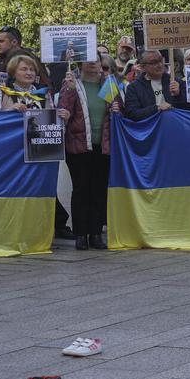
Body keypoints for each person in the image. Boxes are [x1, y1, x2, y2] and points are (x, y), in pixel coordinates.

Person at [56, 57, 118, 250]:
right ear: (80, 64)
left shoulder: (108, 84)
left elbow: (118, 110)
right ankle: (81, 234)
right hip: (79, 146)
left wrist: (118, 108)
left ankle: (96, 233)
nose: (93, 63)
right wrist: (69, 91)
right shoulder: (72, 84)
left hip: (103, 146)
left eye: (96, 60)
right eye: (88, 60)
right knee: (81, 189)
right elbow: (63, 110)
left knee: (99, 190)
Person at [123, 50, 182, 120]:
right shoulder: (133, 88)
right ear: (142, 67)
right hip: (150, 129)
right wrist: (157, 108)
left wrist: (179, 95)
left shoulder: (175, 81)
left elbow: (188, 108)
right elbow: (131, 114)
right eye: (154, 62)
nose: (159, 65)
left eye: (161, 60)